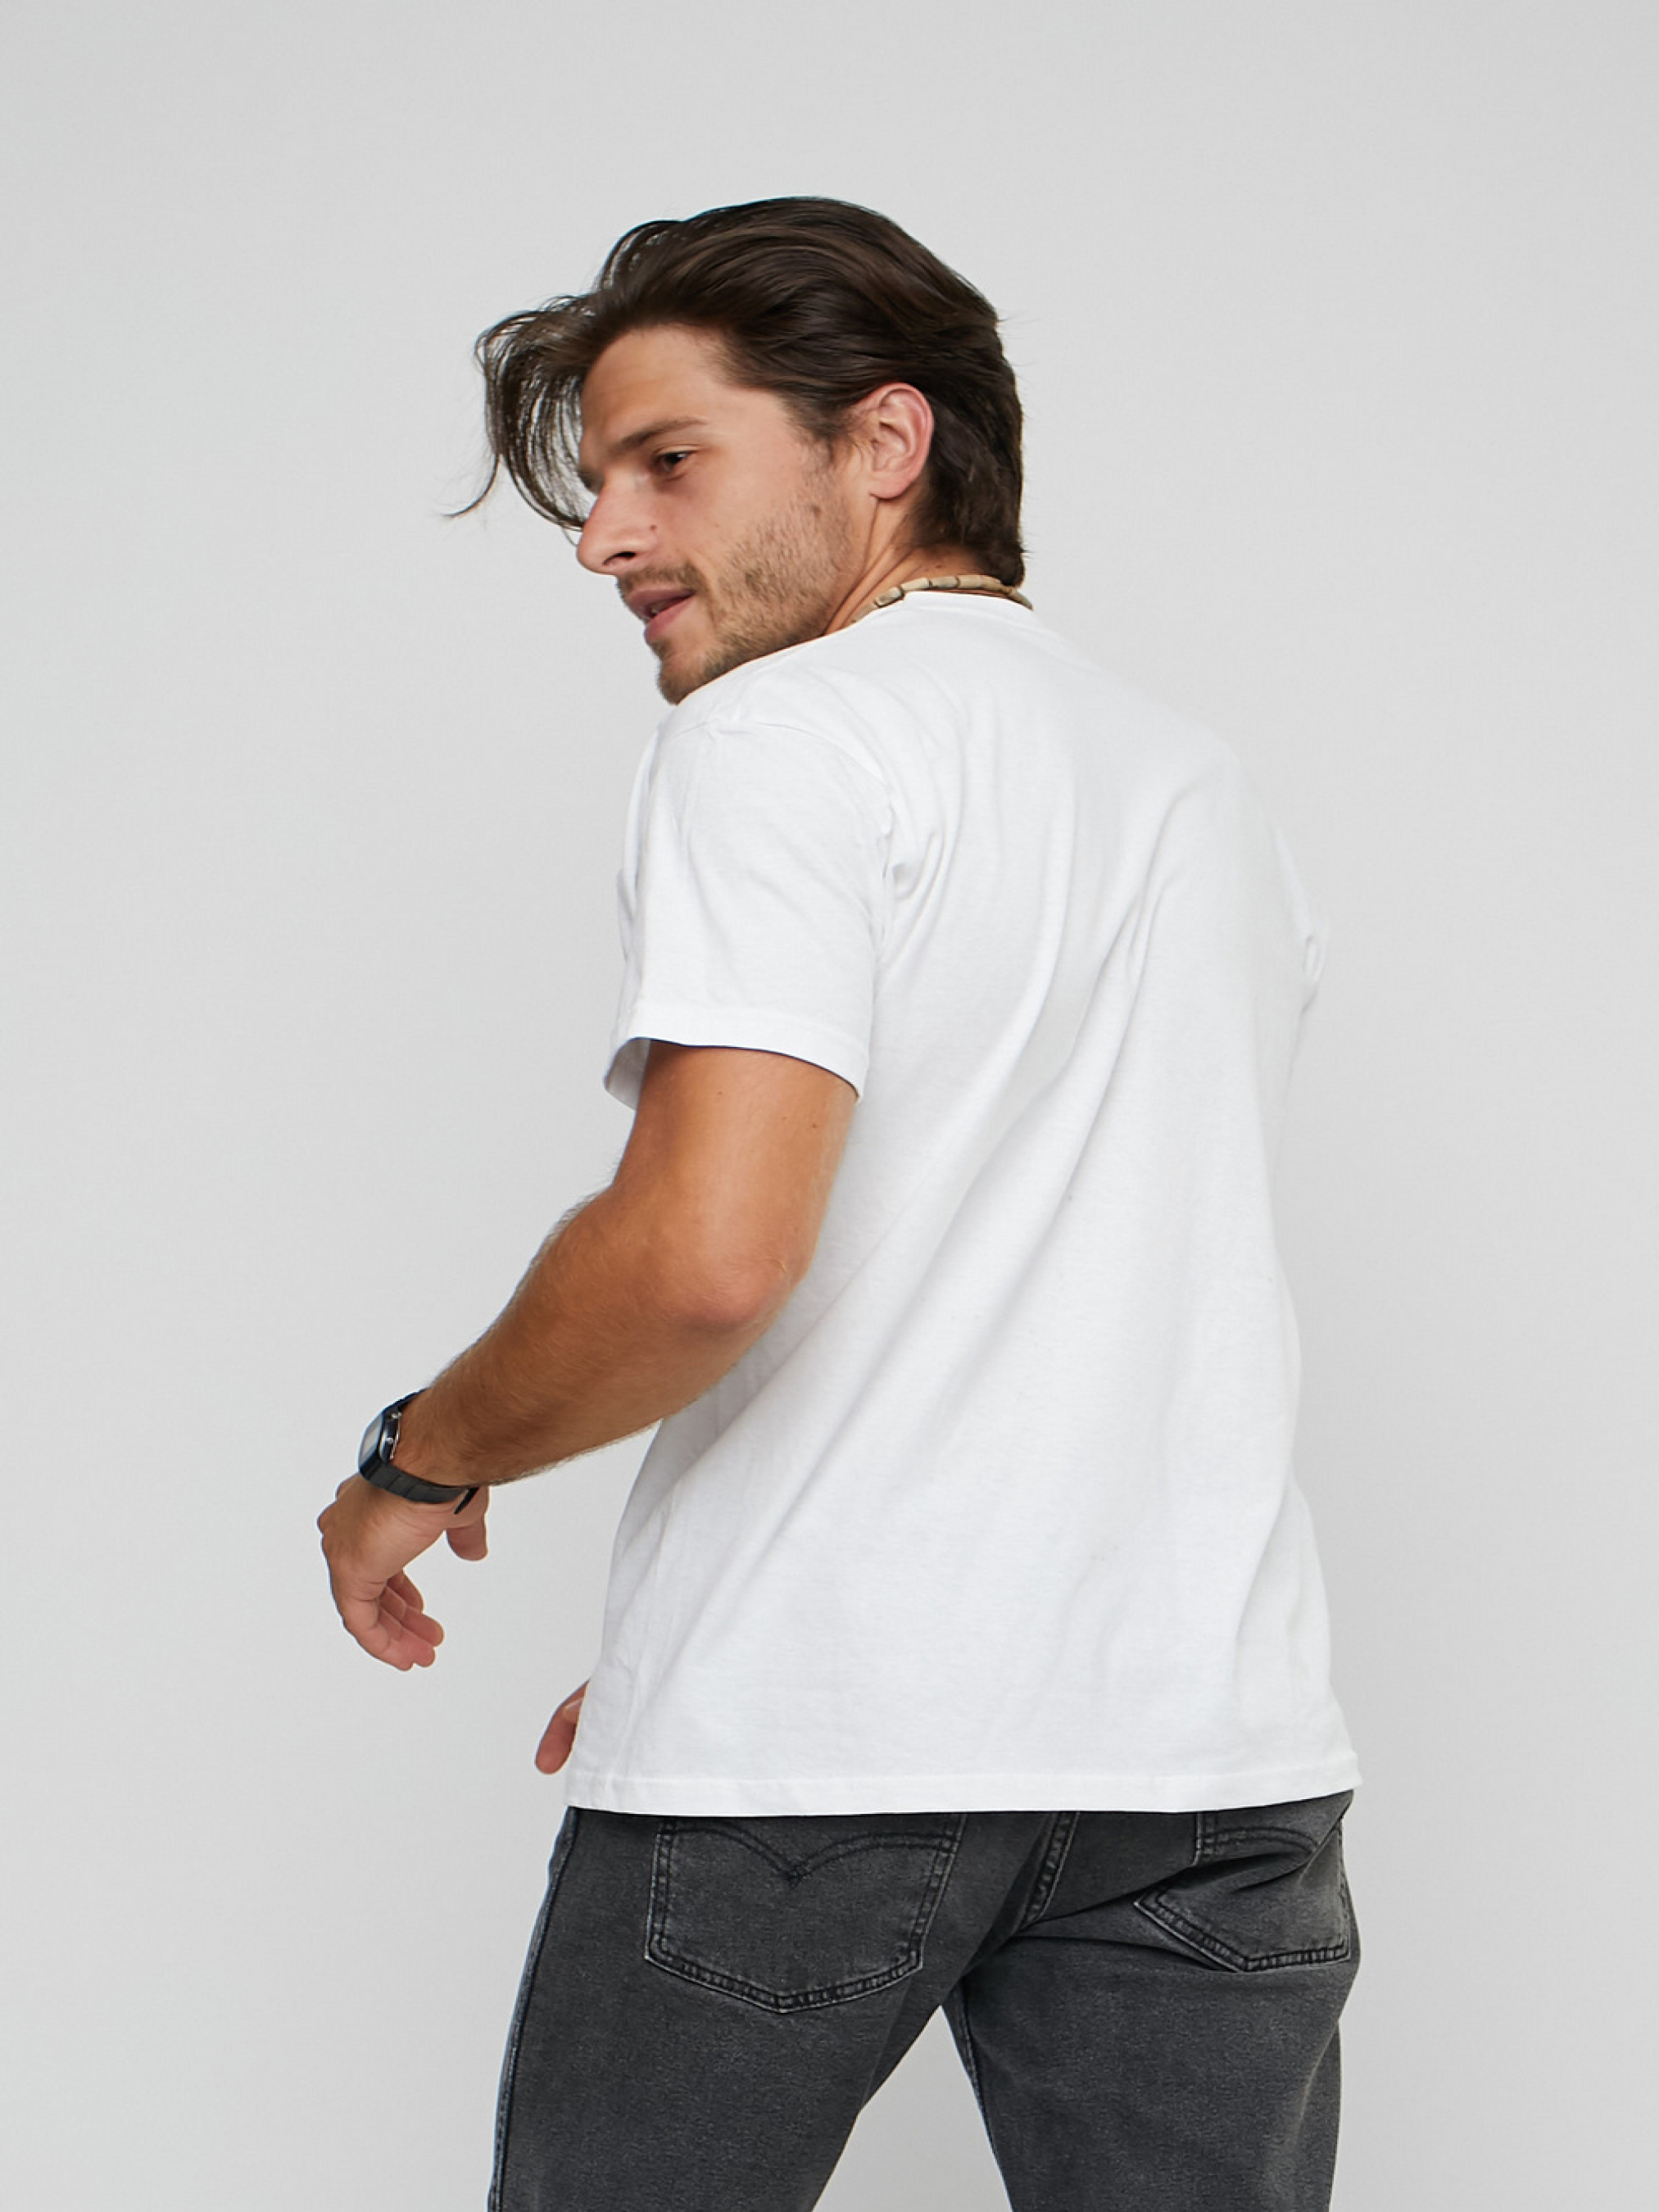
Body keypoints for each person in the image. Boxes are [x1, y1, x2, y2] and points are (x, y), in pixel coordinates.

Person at [318, 196, 1362, 2212]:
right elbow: (1071, 1270)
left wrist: (415, 1459)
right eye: (600, 483)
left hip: (811, 1776)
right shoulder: (1197, 789)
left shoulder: (780, 735)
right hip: (1209, 1763)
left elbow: (704, 1258)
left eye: (666, 462)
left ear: (884, 443)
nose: (607, 539)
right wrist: (737, 1622)